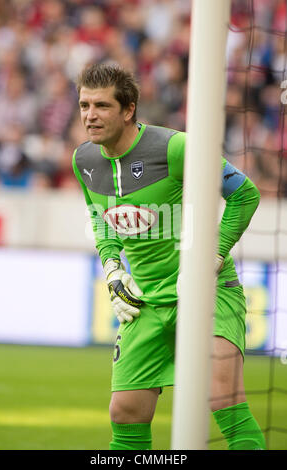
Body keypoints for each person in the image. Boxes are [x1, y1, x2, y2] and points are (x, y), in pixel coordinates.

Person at [72, 63, 266, 451]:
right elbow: (104, 223)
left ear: (128, 110)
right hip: (147, 301)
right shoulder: (85, 162)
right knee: (124, 411)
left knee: (222, 397)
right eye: (84, 105)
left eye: (102, 106)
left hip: (209, 293)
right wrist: (112, 269)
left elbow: (245, 194)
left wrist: (210, 259)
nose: (90, 115)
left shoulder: (175, 147)